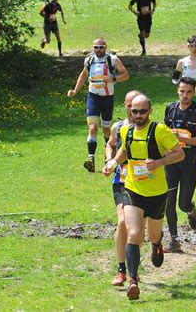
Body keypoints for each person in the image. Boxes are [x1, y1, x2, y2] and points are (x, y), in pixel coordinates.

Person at [103, 94, 185, 300]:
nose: (138, 115)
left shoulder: (160, 131)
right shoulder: (125, 130)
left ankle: (156, 245)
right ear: (130, 111)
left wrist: (159, 163)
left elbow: (179, 153)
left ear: (150, 111)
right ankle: (133, 281)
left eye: (142, 111)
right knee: (133, 233)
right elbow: (123, 150)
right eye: (134, 111)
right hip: (132, 189)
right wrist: (112, 163)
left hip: (156, 193)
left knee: (153, 235)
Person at [67, 37, 130, 172]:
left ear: (106, 47)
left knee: (107, 130)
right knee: (92, 128)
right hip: (93, 97)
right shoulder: (89, 60)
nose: (98, 50)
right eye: (96, 47)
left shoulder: (112, 60)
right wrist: (75, 90)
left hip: (107, 98)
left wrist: (113, 78)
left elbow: (126, 75)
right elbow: (83, 75)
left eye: (101, 47)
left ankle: (110, 158)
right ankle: (91, 161)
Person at [163, 77, 196, 253]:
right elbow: (164, 133)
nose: (185, 95)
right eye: (182, 91)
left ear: (195, 92)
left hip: (190, 162)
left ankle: (191, 210)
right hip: (171, 161)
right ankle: (174, 240)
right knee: (168, 201)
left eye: (189, 92)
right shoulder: (170, 109)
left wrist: (184, 138)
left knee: (182, 204)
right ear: (178, 91)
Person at [105, 90, 141, 287]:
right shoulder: (118, 127)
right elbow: (110, 145)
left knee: (137, 229)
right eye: (129, 105)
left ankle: (134, 266)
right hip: (121, 179)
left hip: (144, 182)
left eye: (136, 107)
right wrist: (110, 160)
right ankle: (121, 269)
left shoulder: (150, 129)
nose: (132, 110)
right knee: (122, 222)